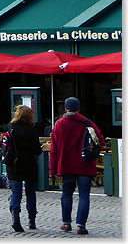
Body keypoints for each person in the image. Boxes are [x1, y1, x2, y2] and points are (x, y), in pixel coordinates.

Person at [49, 97, 104, 235]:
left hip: (66, 165)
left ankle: (66, 223)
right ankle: (81, 225)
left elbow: (53, 148)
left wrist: (53, 168)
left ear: (65, 109)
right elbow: (100, 141)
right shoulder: (87, 123)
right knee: (84, 196)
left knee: (67, 193)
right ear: (79, 109)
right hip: (85, 165)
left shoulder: (59, 124)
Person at [5, 104, 42, 232]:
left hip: (14, 165)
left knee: (16, 192)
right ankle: (32, 220)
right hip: (29, 165)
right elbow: (37, 151)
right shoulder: (32, 130)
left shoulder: (10, 128)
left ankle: (15, 217)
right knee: (31, 192)